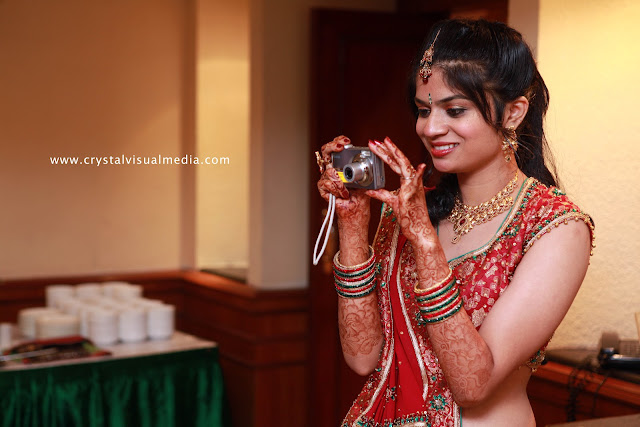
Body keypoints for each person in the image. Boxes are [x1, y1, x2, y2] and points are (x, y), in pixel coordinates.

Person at [315, 19, 595, 427]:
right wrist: (354, 224)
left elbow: (471, 385)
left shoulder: (556, 228)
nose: (430, 128)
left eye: (455, 110)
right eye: (424, 109)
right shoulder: (409, 210)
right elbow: (363, 358)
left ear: (514, 112)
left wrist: (426, 246)